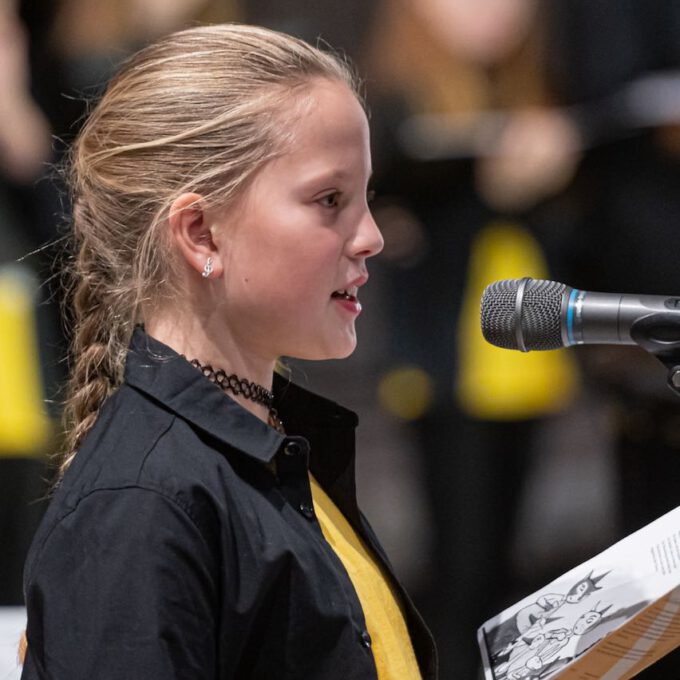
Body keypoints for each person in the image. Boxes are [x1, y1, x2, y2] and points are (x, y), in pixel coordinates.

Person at [19, 23, 436, 680]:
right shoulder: (142, 507)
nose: (371, 237)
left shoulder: (272, 445)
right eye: (330, 199)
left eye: (366, 198)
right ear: (200, 234)